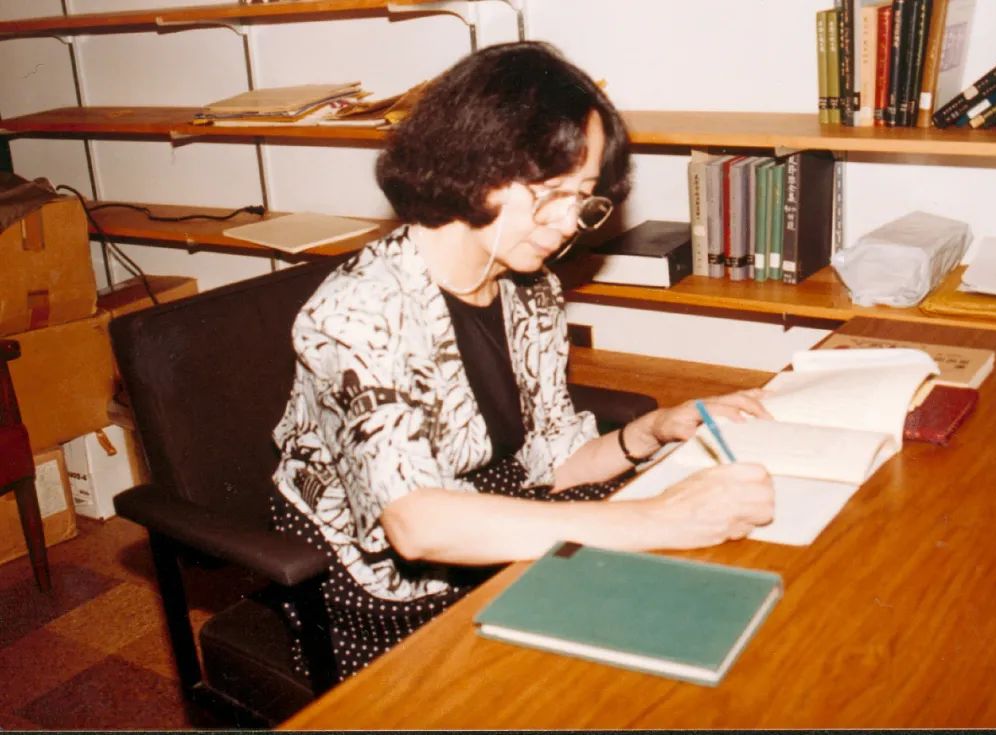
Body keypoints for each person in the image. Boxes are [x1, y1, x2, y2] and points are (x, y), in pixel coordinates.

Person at [271, 40, 775, 681]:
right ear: (474, 165)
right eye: (552, 192)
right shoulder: (353, 314)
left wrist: (651, 431)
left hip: (496, 515)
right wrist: (659, 518)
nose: (569, 222)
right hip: (386, 589)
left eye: (582, 196)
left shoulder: (529, 289)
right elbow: (417, 526)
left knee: (708, 612)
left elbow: (554, 460)